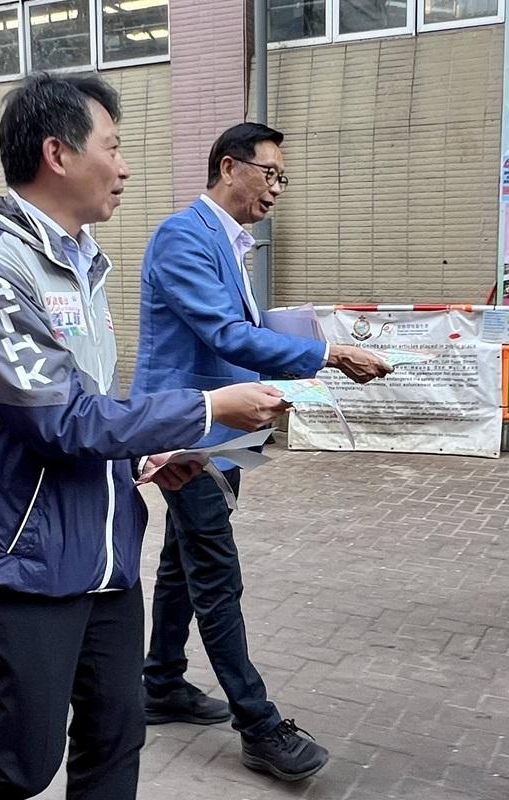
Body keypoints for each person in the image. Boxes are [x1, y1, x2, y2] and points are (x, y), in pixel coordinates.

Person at [0, 74, 292, 800]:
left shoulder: (83, 267)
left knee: (116, 740)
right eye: (114, 146)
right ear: (58, 153)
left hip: (106, 552)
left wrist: (146, 452)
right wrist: (206, 409)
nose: (127, 166)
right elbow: (60, 420)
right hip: (20, 560)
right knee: (21, 760)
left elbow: (88, 405)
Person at [131, 122, 392, 783]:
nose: (278, 189)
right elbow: (222, 332)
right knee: (216, 576)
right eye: (270, 174)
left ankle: (159, 682)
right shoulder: (183, 235)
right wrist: (328, 353)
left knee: (180, 564)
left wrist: (295, 343)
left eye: (283, 178)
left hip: (223, 433)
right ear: (229, 167)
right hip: (184, 433)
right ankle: (259, 725)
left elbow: (235, 333)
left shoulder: (229, 241)